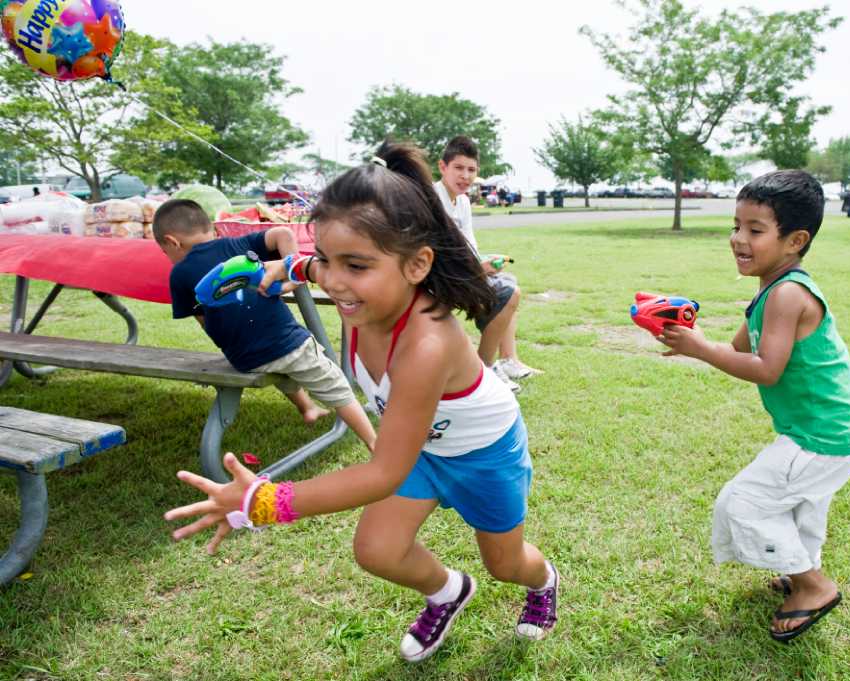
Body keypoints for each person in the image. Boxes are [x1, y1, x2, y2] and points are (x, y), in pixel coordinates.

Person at [163, 143, 560, 663]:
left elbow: (381, 474)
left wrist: (262, 501)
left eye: (356, 265)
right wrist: (290, 268)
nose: (337, 281)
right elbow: (321, 267)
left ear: (418, 265)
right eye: (328, 260)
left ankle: (544, 583)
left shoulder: (427, 345)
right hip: (422, 448)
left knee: (506, 565)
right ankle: (447, 591)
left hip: (483, 455)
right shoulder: (353, 288)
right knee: (376, 549)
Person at [658, 170, 850, 643]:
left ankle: (814, 587)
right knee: (801, 509)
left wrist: (702, 349)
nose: (738, 239)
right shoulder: (771, 286)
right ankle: (798, 572)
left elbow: (766, 367)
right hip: (826, 430)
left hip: (822, 436)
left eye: (755, 230)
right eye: (735, 226)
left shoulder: (789, 293)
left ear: (795, 240)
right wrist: (689, 337)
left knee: (745, 501)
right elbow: (736, 345)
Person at [152, 199, 376, 450]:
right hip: (290, 345)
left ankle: (307, 407)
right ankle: (372, 442)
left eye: (164, 252)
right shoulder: (237, 245)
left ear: (172, 242)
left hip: (245, 359)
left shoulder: (179, 274)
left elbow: (203, 321)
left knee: (281, 370)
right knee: (336, 387)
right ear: (212, 228)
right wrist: (295, 271)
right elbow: (283, 233)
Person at [433, 136, 541, 391]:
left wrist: (484, 261)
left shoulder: (463, 201)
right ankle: (484, 369)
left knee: (508, 282)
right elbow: (437, 255)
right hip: (438, 278)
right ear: (442, 167)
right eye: (458, 168)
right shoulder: (432, 200)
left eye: (471, 170)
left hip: (459, 272)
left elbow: (468, 247)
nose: (465, 176)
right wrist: (477, 268)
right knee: (508, 291)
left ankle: (509, 360)